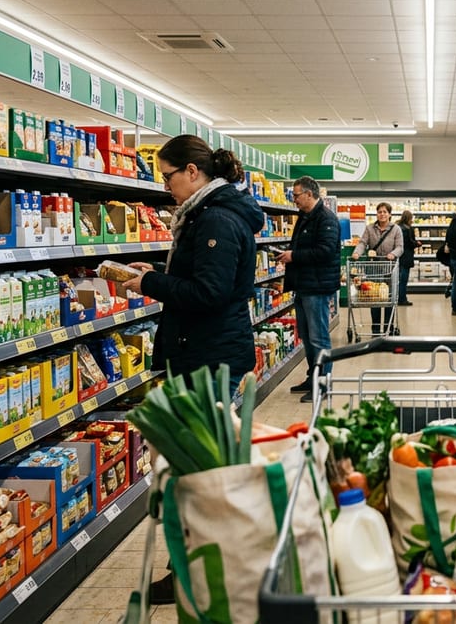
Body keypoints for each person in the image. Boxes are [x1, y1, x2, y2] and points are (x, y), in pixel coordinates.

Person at [120, 134, 265, 606]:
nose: (165, 187)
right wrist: (155, 273)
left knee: (200, 474)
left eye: (167, 176)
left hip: (208, 356)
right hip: (206, 351)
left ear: (193, 172)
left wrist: (151, 283)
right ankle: (194, 565)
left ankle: (196, 573)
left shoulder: (216, 218)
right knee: (202, 470)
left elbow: (209, 291)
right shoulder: (209, 214)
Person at [280, 176, 341, 399]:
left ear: (309, 194)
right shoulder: (305, 216)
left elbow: (325, 251)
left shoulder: (325, 218)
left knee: (319, 337)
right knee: (306, 336)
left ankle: (324, 384)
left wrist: (293, 256)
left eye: (296, 195)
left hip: (317, 287)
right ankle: (313, 377)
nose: (293, 199)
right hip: (304, 285)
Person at [351, 202, 403, 335]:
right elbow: (363, 243)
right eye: (380, 212)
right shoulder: (369, 228)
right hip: (373, 268)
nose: (382, 214)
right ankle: (375, 329)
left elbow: (400, 247)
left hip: (389, 268)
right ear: (377, 214)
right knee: (373, 298)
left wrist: (393, 254)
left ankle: (388, 328)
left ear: (390, 214)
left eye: (385, 212)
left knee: (388, 299)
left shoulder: (396, 229)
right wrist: (357, 252)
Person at [396, 209, 421, 306]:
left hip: (398, 256)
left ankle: (398, 297)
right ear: (409, 218)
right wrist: (417, 244)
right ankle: (402, 299)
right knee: (403, 279)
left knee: (398, 279)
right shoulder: (407, 229)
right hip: (406, 256)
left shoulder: (397, 227)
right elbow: (409, 242)